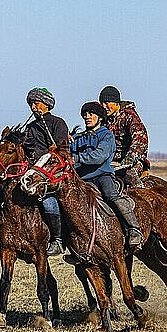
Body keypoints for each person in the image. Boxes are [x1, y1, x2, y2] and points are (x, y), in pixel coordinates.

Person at [70, 101, 143, 248]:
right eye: (85, 115)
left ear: (100, 117)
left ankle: (134, 229)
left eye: (91, 114)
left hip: (102, 175)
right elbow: (69, 154)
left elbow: (100, 156)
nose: (87, 117)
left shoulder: (106, 135)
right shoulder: (78, 138)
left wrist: (77, 158)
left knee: (111, 196)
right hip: (82, 179)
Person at [23, 87, 69, 256]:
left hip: (52, 173)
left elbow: (63, 150)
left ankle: (57, 239)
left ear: (46, 104)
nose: (33, 107)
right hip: (32, 171)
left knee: (48, 202)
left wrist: (54, 148)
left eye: (36, 103)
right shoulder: (30, 127)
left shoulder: (58, 123)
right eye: (31, 104)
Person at [98, 85, 149, 186]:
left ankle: (142, 195)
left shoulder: (129, 115)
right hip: (110, 162)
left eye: (107, 103)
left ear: (116, 103)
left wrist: (128, 160)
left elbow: (140, 139)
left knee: (129, 176)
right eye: (102, 103)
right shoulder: (103, 119)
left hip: (131, 162)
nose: (104, 106)